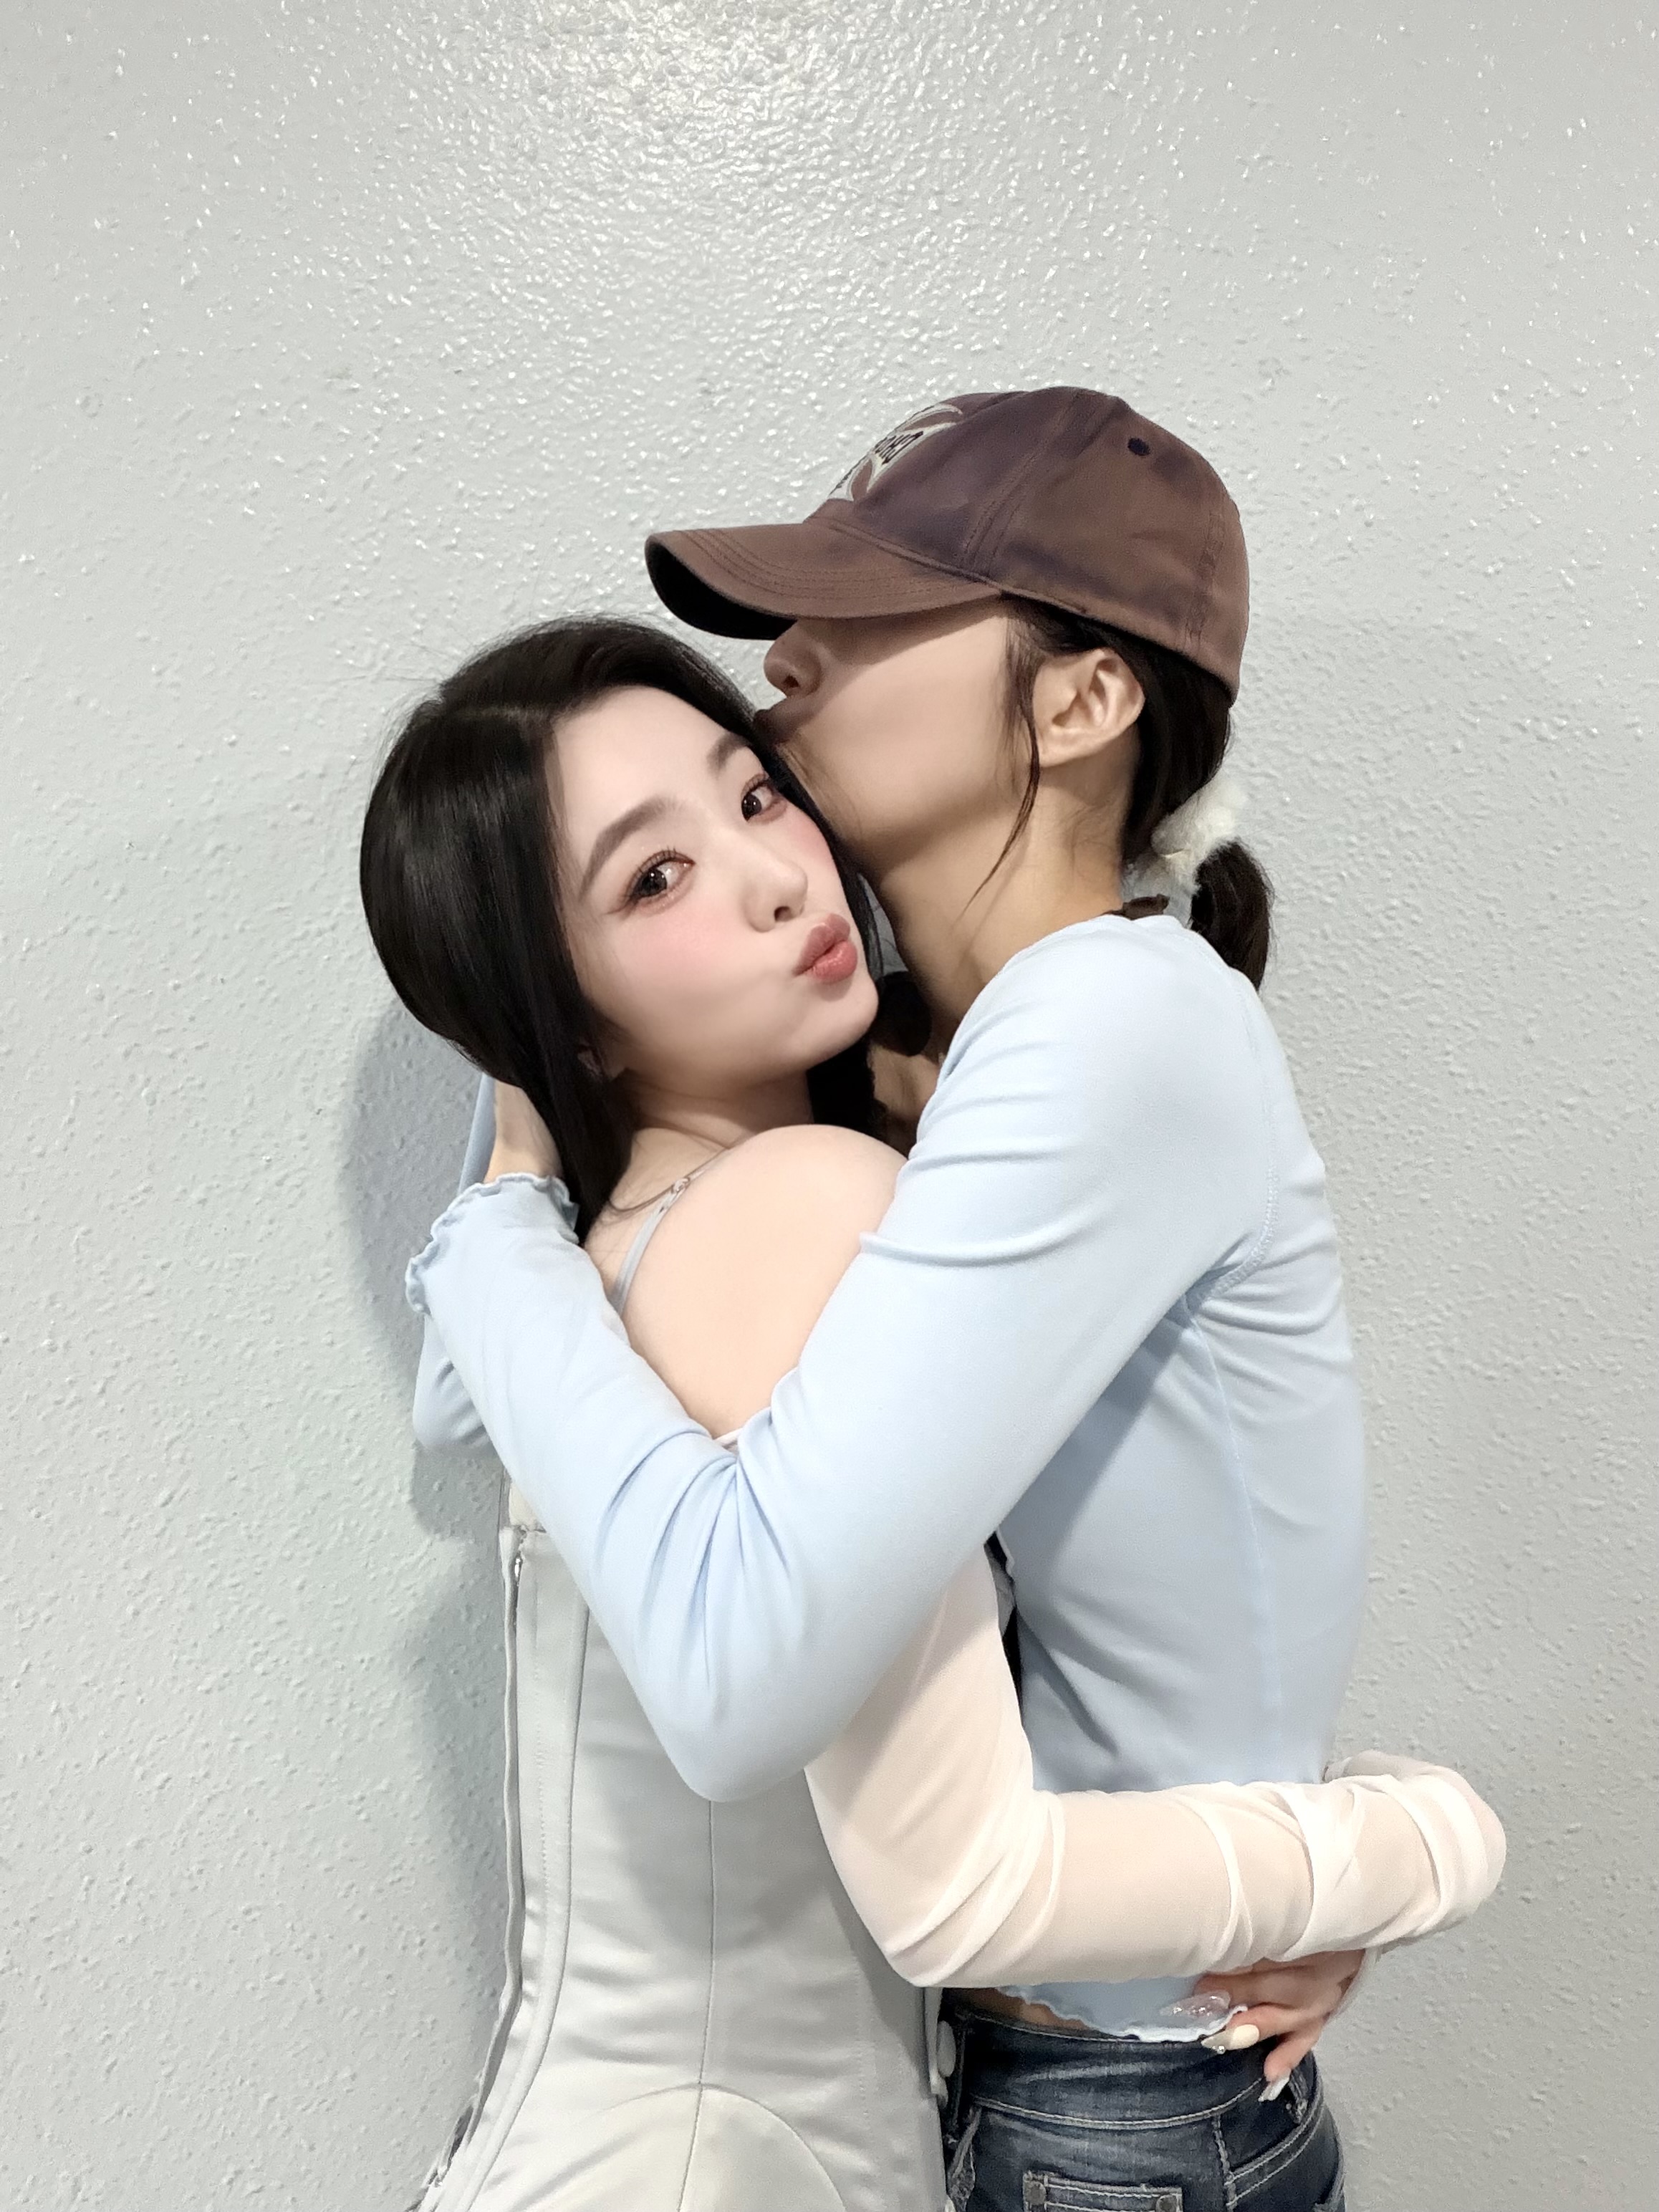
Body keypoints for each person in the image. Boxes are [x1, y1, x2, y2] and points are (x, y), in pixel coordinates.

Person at [395, 393, 1501, 2208]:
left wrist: (1412, 1843)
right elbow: (493, 1402)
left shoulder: (1100, 1023)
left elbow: (733, 1657)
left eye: (868, 615)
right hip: (1061, 2069)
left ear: (1080, 702)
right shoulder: (951, 1074)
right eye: (660, 868)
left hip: (1109, 2087)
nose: (789, 660)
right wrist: (1386, 1843)